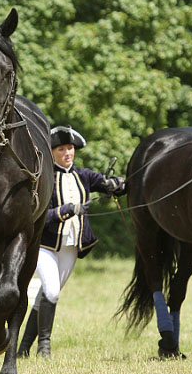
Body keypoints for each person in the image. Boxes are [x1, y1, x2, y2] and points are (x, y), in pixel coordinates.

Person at [16, 125, 126, 359]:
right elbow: (33, 215)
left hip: (71, 246)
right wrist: (64, 211)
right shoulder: (43, 178)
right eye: (61, 149)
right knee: (52, 291)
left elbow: (105, 183)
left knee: (46, 295)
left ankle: (23, 348)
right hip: (44, 246)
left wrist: (118, 184)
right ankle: (44, 346)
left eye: (70, 148)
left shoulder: (84, 175)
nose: (67, 153)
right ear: (52, 152)